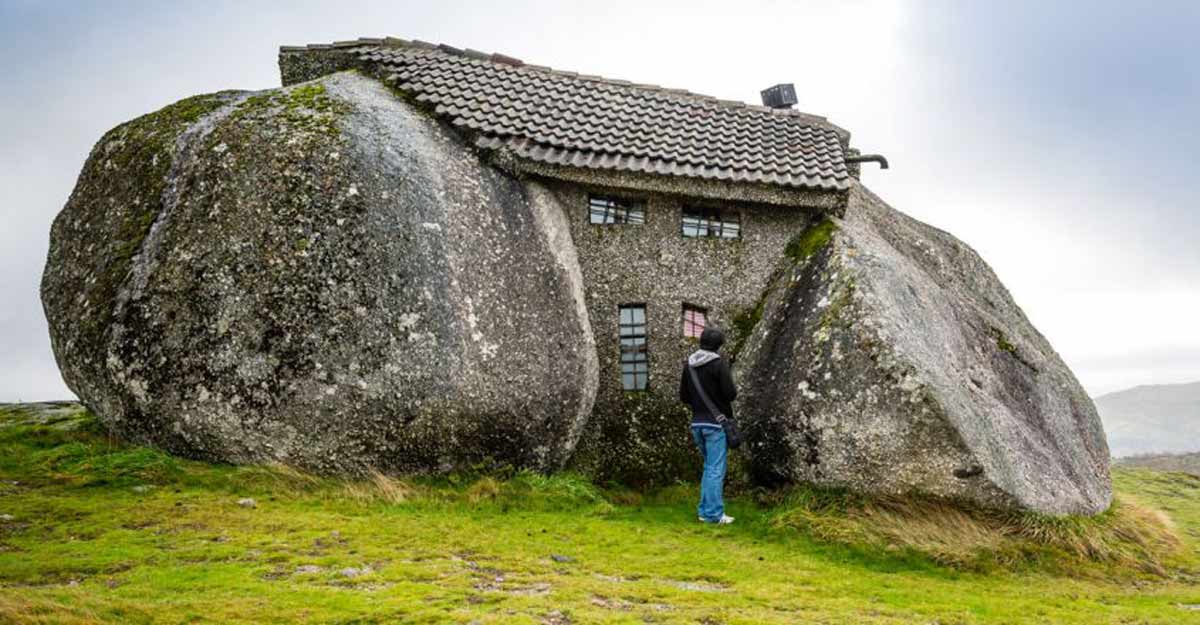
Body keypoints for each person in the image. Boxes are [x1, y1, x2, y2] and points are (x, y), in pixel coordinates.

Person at [679, 326, 737, 525]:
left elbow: (683, 396)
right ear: (719, 345)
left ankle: (705, 511)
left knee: (708, 468)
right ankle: (713, 514)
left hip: (697, 423)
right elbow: (731, 394)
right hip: (716, 425)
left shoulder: (689, 365)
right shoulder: (718, 364)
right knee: (715, 470)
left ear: (701, 341)